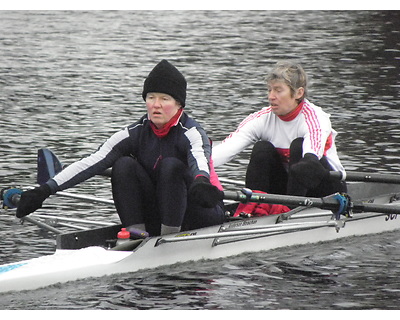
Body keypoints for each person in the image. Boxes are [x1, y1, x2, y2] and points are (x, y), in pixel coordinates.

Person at [16, 59, 225, 236]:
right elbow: (92, 162)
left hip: (201, 209)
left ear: (179, 104)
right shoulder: (134, 133)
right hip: (161, 210)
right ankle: (137, 235)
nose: (156, 104)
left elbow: (199, 161)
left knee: (171, 166)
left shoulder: (192, 133)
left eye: (164, 99)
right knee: (123, 165)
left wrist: (201, 181)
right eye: (151, 97)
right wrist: (44, 190)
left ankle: (167, 241)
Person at [212, 61, 346, 198]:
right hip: (288, 185)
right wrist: (197, 168)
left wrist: (310, 160)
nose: (271, 97)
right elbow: (226, 148)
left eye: (278, 90)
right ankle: (256, 207)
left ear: (298, 93)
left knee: (298, 147)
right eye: (270, 90)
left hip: (326, 187)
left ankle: (289, 209)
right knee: (262, 148)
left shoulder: (315, 118)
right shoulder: (262, 119)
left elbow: (312, 153)